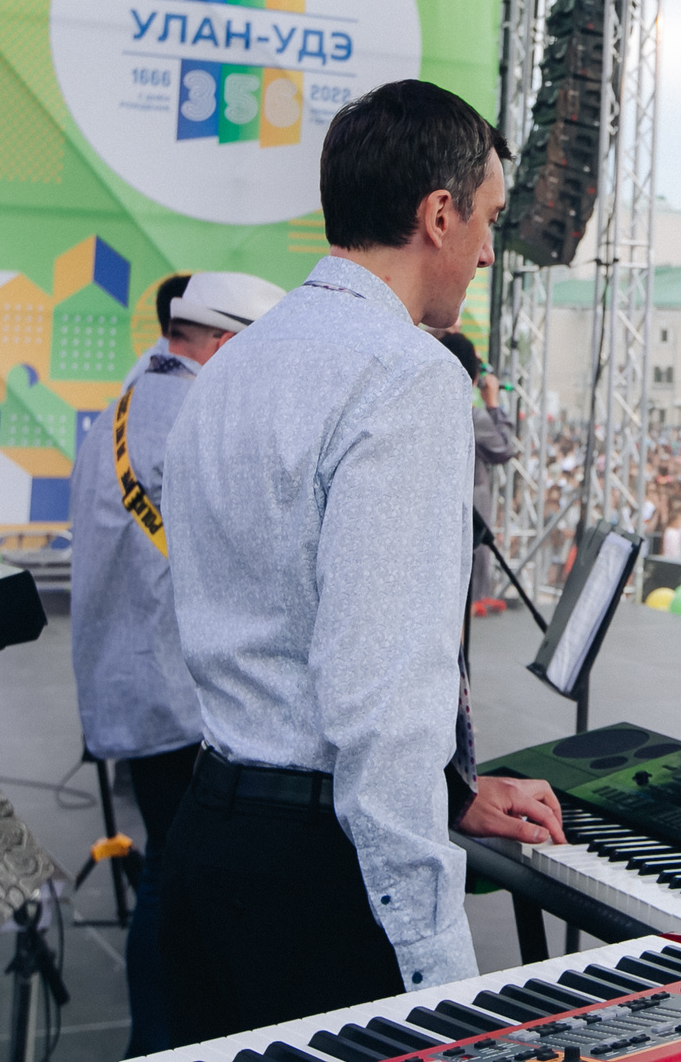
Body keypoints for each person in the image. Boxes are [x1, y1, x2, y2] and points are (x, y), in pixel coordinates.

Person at [157, 81, 564, 1043]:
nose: (489, 252)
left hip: (210, 836)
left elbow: (275, 624)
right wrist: (443, 980)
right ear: (438, 215)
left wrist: (454, 792)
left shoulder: (233, 364)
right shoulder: (410, 376)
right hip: (318, 878)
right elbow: (377, 708)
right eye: (489, 221)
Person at [68, 269, 280, 1057]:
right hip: (169, 690)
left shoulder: (138, 392)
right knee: (175, 880)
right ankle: (164, 1042)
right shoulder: (196, 411)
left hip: (133, 676)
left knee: (171, 869)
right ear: (224, 346)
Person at [437, 331, 517, 616]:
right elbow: (506, 448)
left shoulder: (431, 409)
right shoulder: (474, 416)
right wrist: (493, 403)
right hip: (471, 502)